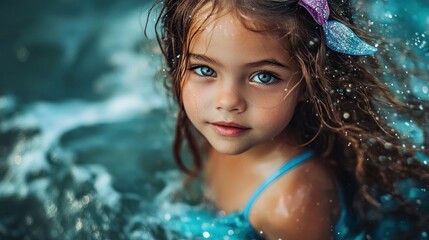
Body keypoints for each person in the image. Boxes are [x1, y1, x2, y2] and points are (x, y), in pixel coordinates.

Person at [147, 0, 429, 239]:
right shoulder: (227, 129)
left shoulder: (293, 201)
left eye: (264, 76)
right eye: (204, 70)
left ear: (308, 83)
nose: (227, 101)